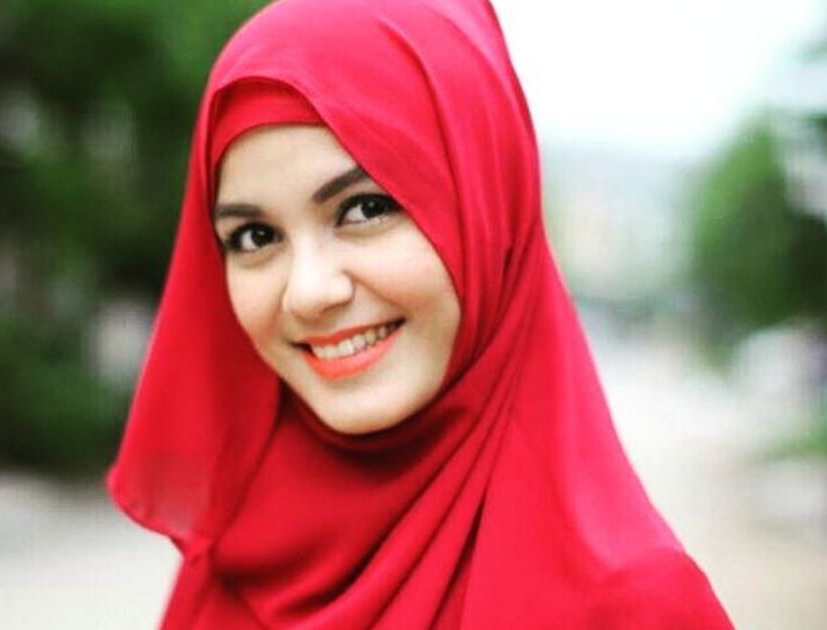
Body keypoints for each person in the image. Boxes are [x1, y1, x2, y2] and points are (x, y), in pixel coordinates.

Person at [107, 0, 735, 627]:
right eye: (255, 237)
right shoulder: (238, 555)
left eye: (365, 209)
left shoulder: (629, 607)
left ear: (487, 209)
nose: (308, 292)